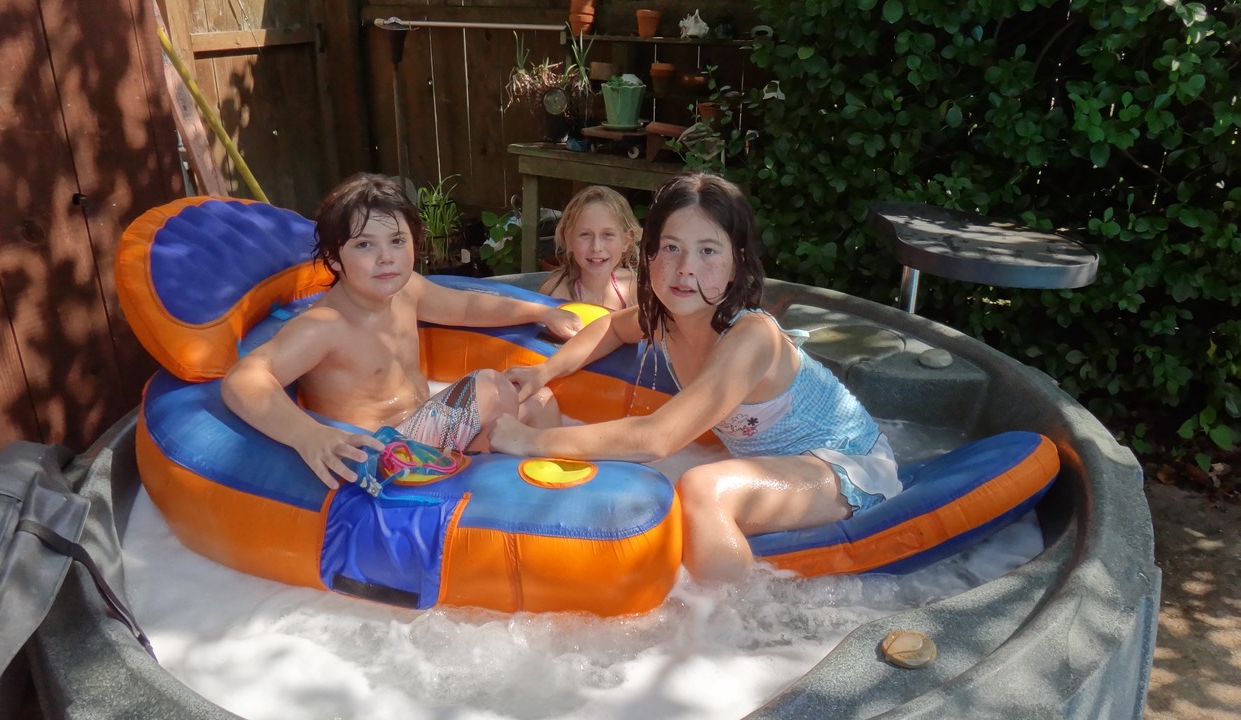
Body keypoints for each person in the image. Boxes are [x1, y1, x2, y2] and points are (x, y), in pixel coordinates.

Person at [491, 173, 901, 583]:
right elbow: (611, 328)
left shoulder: (752, 337)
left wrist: (529, 441)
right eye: (671, 248)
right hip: (776, 464)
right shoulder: (665, 318)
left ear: (735, 263)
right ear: (649, 254)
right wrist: (543, 371)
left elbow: (656, 438)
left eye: (708, 251)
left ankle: (735, 629)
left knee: (704, 490)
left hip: (846, 465)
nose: (685, 269)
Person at [222, 173, 581, 490]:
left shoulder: (407, 291)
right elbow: (243, 379)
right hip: (385, 453)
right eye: (364, 245)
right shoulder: (326, 325)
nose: (386, 257)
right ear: (334, 259)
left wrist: (542, 312)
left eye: (397, 241)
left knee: (541, 399)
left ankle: (552, 488)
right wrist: (308, 435)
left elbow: (468, 307)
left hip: (424, 427)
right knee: (490, 387)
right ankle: (493, 486)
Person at [538, 186, 640, 311]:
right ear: (568, 239)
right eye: (585, 234)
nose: (596, 247)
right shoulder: (555, 293)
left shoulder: (632, 287)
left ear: (626, 241)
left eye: (607, 234)